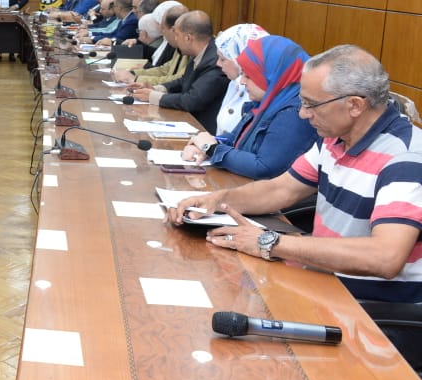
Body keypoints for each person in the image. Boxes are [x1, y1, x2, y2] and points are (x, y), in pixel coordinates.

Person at [168, 45, 422, 304]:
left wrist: (270, 242)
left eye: (311, 104)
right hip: (324, 279)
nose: (302, 113)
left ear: (355, 105)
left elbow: (385, 257)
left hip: (371, 307)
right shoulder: (336, 137)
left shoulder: (405, 157)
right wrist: (217, 200)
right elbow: (282, 189)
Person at [180, 36, 317, 179]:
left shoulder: (295, 113)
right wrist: (205, 144)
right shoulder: (266, 101)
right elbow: (235, 138)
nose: (242, 82)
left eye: (249, 76)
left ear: (271, 75)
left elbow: (265, 167)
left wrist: (212, 149)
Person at [132, 10, 228, 133]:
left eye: (177, 34)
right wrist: (156, 88)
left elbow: (192, 100)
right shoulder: (200, 52)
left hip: (203, 130)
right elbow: (184, 80)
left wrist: (153, 96)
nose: (175, 39)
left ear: (188, 38)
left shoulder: (215, 62)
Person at [212, 23, 270, 136]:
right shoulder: (234, 83)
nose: (217, 63)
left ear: (239, 59)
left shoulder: (257, 92)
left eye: (223, 59)